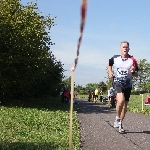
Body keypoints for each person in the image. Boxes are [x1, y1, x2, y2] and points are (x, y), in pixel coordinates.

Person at [107, 41, 138, 133]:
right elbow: (109, 64)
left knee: (125, 105)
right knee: (121, 100)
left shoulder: (133, 60)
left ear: (129, 49)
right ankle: (117, 117)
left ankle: (120, 122)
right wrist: (110, 72)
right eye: (123, 47)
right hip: (117, 82)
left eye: (126, 47)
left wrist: (133, 72)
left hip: (128, 84)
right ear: (120, 48)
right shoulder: (115, 58)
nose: (125, 48)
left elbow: (136, 74)